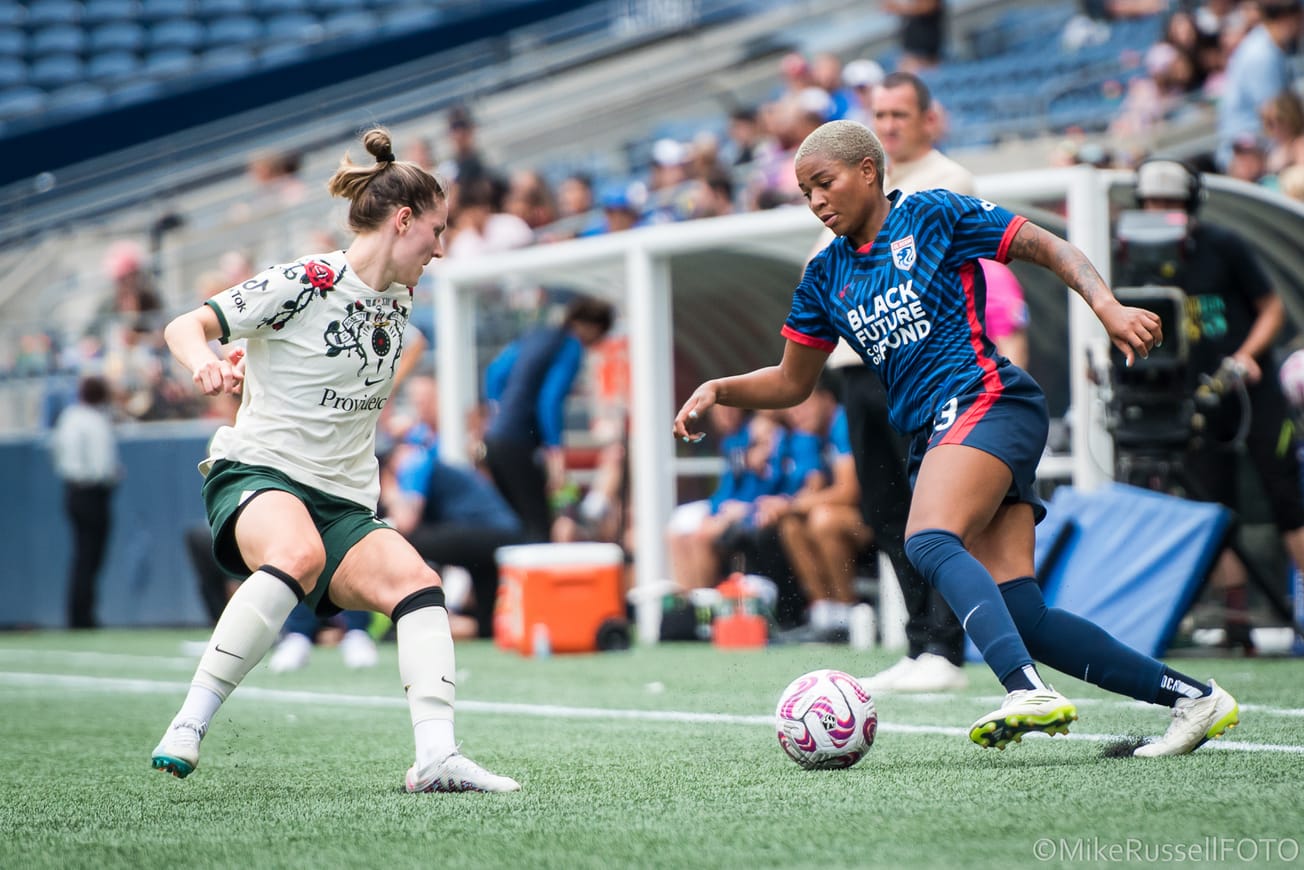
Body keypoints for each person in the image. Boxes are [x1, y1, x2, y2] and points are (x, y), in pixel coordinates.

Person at [673, 120, 1239, 757]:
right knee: (1025, 615)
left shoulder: (932, 215)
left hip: (987, 397)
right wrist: (721, 388)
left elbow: (1047, 247)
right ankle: (1195, 699)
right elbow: (789, 382)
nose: (817, 201)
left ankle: (1024, 690)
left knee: (926, 537)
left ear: (868, 171)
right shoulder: (824, 276)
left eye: (824, 183)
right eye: (805, 193)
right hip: (938, 431)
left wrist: (1106, 307)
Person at [149, 127, 519, 793]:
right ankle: (189, 722)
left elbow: (371, 359)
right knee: (295, 554)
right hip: (259, 472)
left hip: (343, 499)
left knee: (418, 586)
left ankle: (436, 757)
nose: (441, 247)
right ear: (403, 221)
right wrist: (209, 361)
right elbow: (183, 326)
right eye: (436, 229)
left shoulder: (401, 300)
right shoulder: (306, 279)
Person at [817, 70, 977, 692]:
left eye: (899, 115)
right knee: (884, 512)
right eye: (878, 115)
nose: (887, 126)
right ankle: (921, 645)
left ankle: (946, 645)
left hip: (913, 365)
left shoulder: (947, 180)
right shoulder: (849, 188)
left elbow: (877, 268)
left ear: (927, 120)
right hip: (854, 373)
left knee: (930, 510)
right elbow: (822, 277)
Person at [1134, 158, 1304, 652]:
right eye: (1152, 203)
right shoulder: (1138, 257)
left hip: (1252, 390)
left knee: (1286, 497)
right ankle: (1236, 623)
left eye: (1171, 202)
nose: (1161, 211)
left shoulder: (1223, 245)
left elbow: (1273, 308)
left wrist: (1245, 357)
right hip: (1192, 397)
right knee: (1214, 508)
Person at [481, 295, 615, 542]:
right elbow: (550, 400)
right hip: (518, 443)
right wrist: (556, 453)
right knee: (539, 525)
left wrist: (499, 416)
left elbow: (494, 374)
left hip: (495, 438)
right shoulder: (571, 345)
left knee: (516, 522)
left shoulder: (535, 335)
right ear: (593, 327)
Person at [50, 374, 120, 629]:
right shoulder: (94, 420)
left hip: (74, 490)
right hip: (91, 492)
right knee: (90, 556)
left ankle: (79, 613)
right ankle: (83, 616)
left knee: (83, 555)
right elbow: (102, 465)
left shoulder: (70, 417)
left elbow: (58, 454)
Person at [1215, 0, 1301, 171]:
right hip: (1244, 156)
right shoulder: (1261, 55)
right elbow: (1278, 117)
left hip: (1263, 144)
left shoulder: (1267, 43)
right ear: (1289, 19)